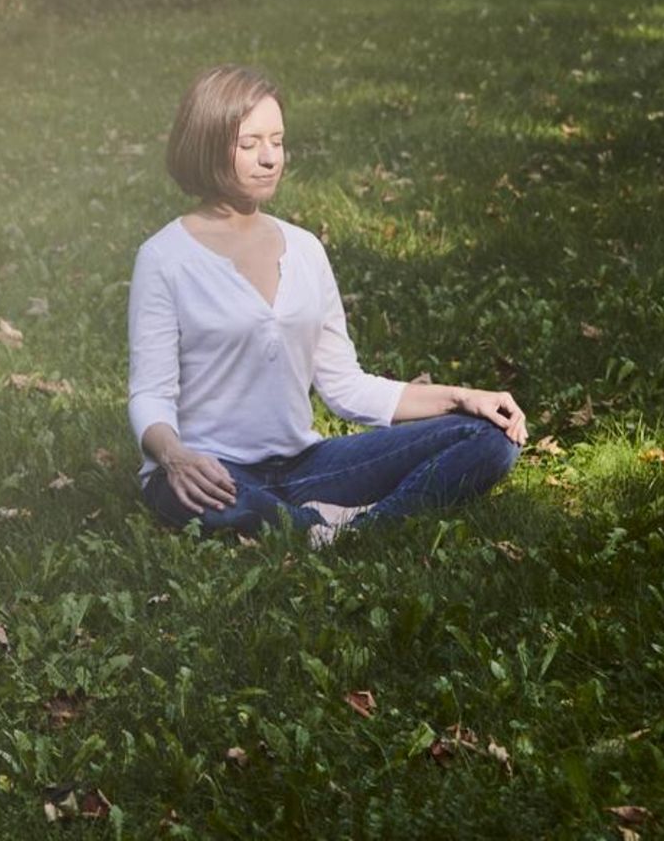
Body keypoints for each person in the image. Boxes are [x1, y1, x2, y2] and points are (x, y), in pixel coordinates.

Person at [127, 64, 526, 545]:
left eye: (277, 140)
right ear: (208, 145)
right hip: (210, 470)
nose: (270, 158)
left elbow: (345, 386)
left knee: (488, 440)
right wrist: (174, 456)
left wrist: (462, 398)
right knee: (196, 495)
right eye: (249, 143)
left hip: (305, 466)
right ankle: (320, 526)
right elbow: (150, 393)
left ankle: (353, 528)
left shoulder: (304, 249)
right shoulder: (165, 257)